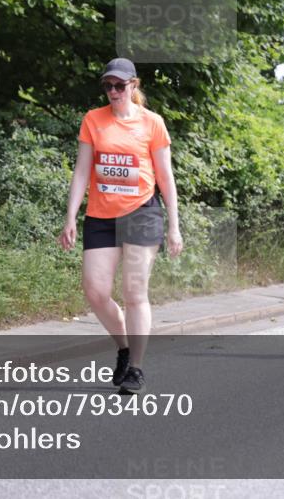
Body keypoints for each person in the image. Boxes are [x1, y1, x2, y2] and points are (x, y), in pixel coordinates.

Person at [58, 58, 183, 393]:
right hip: (100, 215)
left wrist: (174, 225)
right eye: (108, 86)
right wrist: (70, 215)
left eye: (119, 85)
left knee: (133, 291)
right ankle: (125, 348)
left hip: (142, 213)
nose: (113, 91)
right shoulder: (93, 120)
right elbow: (82, 170)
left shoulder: (152, 123)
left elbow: (165, 177)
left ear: (133, 86)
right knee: (95, 291)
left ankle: (137, 369)